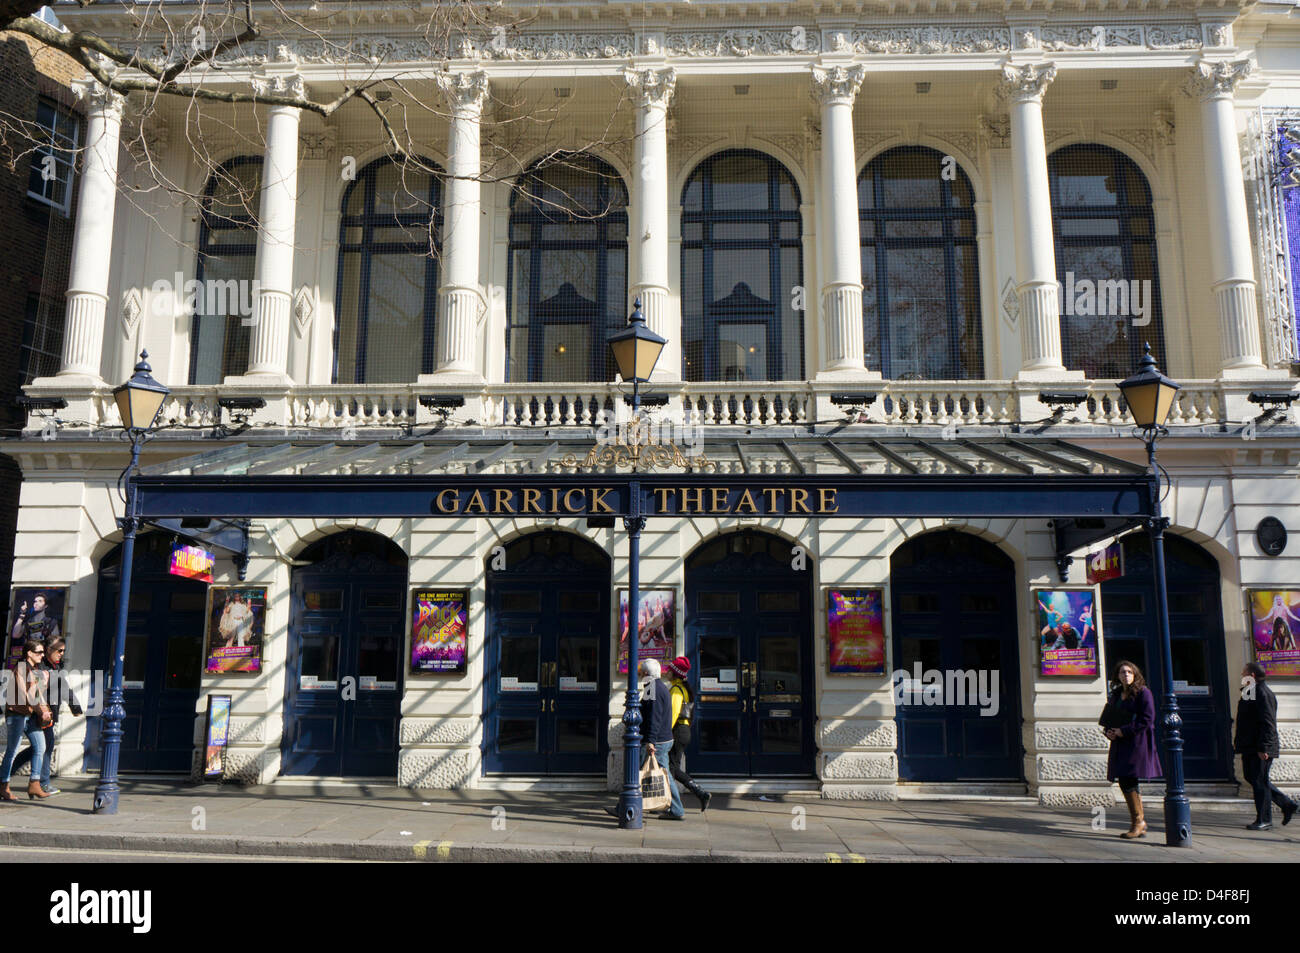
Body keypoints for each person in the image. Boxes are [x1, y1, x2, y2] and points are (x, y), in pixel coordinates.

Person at [605, 658, 684, 821]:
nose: (640, 674)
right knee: (662, 774)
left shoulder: (652, 687)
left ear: (647, 673)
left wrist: (651, 741)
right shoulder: (657, 686)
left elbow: (654, 716)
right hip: (663, 739)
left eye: (641, 671)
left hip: (657, 741)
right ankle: (675, 809)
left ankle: (623, 808)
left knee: (636, 773)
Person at [10, 638, 82, 796]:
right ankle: (42, 783)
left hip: (46, 712)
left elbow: (63, 687)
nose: (62, 654)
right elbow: (33, 691)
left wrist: (74, 707)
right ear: (49, 649)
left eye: (63, 651)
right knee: (44, 746)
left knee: (38, 748)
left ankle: (11, 776)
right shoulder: (40, 667)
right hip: (38, 712)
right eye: (59, 650)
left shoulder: (54, 667)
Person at [1234, 661, 1296, 830]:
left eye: (1244, 673)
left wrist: (1265, 748)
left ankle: (1264, 819)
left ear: (1252, 675)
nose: (1241, 676)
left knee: (1260, 781)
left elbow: (1268, 722)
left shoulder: (1263, 693)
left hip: (1260, 746)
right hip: (1249, 745)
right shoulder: (1249, 691)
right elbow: (1245, 718)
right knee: (1251, 777)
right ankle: (1286, 804)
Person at [1102, 660, 1161, 839]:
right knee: (1125, 780)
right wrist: (1109, 732)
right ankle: (1139, 822)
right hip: (1120, 742)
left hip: (1136, 742)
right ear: (1117, 676)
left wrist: (1124, 731)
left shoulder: (1143, 693)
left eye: (1129, 672)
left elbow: (1147, 719)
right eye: (1122, 672)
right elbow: (1109, 717)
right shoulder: (1117, 694)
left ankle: (1139, 822)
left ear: (1135, 674)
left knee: (1129, 780)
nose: (1126, 675)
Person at [0, 638, 51, 801]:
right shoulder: (21, 668)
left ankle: (34, 784)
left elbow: (37, 694)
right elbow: (25, 695)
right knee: (12, 750)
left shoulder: (35, 669)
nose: (42, 655)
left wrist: (44, 708)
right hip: (17, 714)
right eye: (39, 652)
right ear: (29, 653)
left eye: (43, 652)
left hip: (30, 715)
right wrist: (39, 709)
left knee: (41, 746)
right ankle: (2, 785)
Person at [666, 656, 710, 812]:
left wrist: (664, 734)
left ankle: (673, 806)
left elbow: (672, 715)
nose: (667, 672)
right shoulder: (683, 689)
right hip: (683, 732)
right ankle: (700, 792)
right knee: (674, 769)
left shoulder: (677, 691)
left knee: (670, 770)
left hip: (677, 731)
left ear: (675, 673)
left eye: (669, 670)